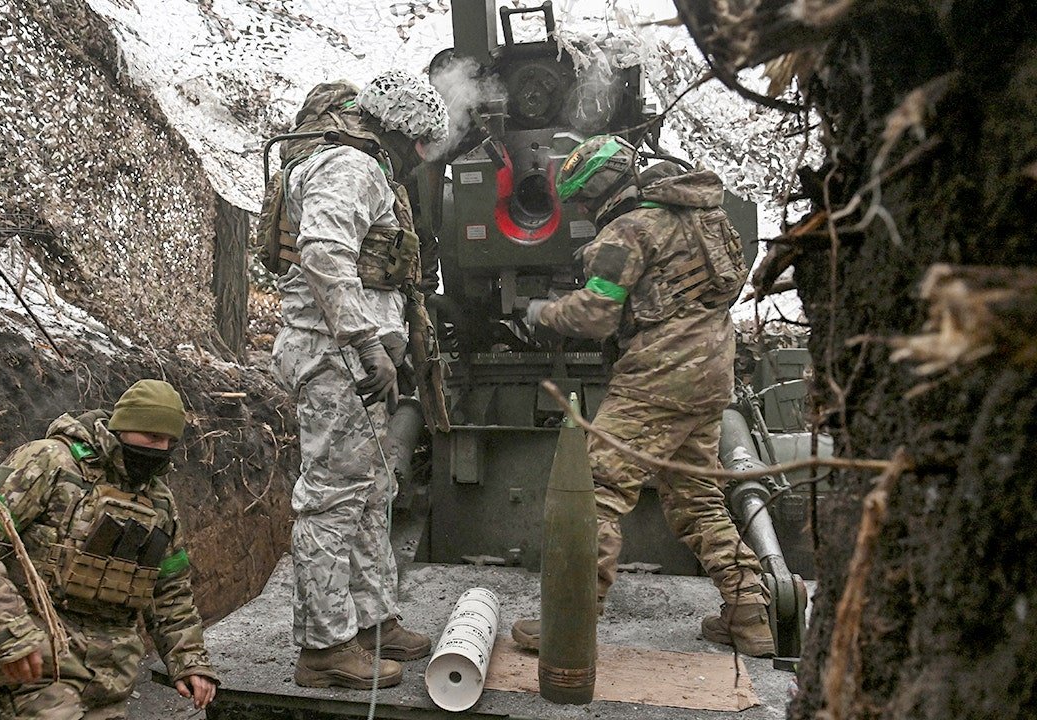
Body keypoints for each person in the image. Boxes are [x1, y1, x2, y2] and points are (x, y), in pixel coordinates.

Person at [511, 136, 776, 657]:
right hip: (711, 374)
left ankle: (569, 623)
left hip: (656, 379)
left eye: (584, 200)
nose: (583, 212)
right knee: (697, 497)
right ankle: (749, 613)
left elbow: (595, 315)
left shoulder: (629, 230)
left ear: (602, 189)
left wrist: (543, 311)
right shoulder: (707, 219)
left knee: (595, 490)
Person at [269, 69, 449, 689]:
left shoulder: (365, 167)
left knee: (371, 491)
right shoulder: (351, 167)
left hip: (353, 359)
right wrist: (365, 341)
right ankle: (323, 647)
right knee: (331, 499)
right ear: (400, 128)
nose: (422, 155)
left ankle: (371, 621)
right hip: (335, 357)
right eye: (421, 141)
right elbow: (324, 252)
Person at [0, 379, 219, 718]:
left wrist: (189, 661)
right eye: (152, 437)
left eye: (170, 442)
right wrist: (11, 632)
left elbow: (170, 589)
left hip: (110, 680)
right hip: (36, 668)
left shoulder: (158, 500)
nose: (160, 449)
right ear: (124, 427)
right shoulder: (49, 462)